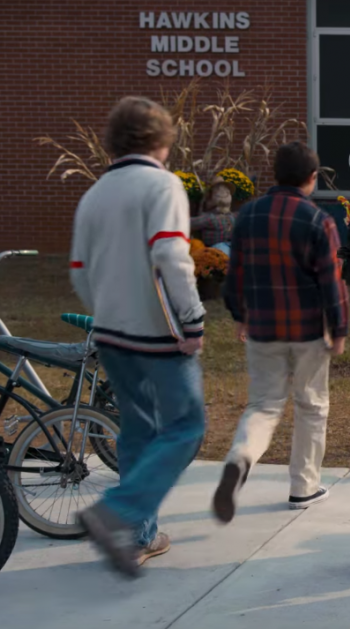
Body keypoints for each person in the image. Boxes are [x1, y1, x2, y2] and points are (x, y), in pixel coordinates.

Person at [71, 96, 207, 577]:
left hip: (111, 333)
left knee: (138, 430)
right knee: (186, 428)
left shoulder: (94, 193)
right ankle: (117, 511)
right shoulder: (163, 185)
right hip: (159, 334)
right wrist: (192, 320)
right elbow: (170, 255)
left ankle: (139, 536)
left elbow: (79, 271)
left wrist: (107, 312)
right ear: (161, 140)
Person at [212, 141, 348, 524]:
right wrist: (339, 329)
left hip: (262, 327)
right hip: (308, 330)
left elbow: (234, 272)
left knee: (263, 405)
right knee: (311, 405)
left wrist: (239, 314)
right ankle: (304, 486)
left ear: (275, 173)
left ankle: (241, 458)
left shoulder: (248, 215)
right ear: (312, 177)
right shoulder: (318, 219)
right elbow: (331, 281)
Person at [190, 176, 237, 250]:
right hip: (224, 249)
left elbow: (188, 223)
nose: (223, 193)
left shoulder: (211, 218)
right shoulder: (210, 218)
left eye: (226, 191)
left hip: (224, 248)